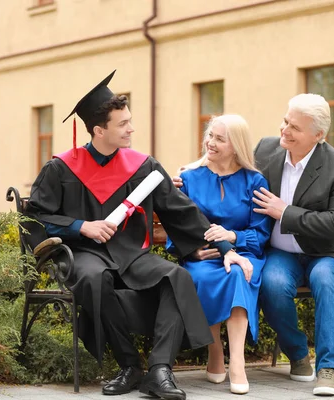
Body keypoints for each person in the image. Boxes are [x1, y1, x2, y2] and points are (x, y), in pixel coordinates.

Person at [25, 70, 252, 400]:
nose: (131, 128)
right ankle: (130, 366)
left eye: (130, 121)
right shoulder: (61, 168)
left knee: (176, 277)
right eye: (123, 124)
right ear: (99, 130)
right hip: (84, 253)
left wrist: (224, 245)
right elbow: (35, 217)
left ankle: (160, 371)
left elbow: (181, 211)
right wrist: (80, 226)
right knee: (93, 278)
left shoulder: (142, 166)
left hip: (131, 254)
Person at [252, 93, 334, 396]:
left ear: (318, 136)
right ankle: (298, 355)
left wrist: (285, 213)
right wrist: (190, 174)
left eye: (295, 128)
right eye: (285, 121)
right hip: (281, 253)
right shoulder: (266, 149)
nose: (284, 130)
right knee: (271, 283)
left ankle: (328, 368)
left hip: (325, 252)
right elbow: (232, 169)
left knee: (325, 279)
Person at [168, 115, 271, 395]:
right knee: (202, 276)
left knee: (237, 273)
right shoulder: (188, 177)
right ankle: (215, 352)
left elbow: (261, 234)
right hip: (203, 256)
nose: (210, 143)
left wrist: (232, 236)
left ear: (236, 145)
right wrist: (193, 251)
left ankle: (237, 360)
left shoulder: (255, 181)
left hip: (243, 253)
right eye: (210, 136)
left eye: (219, 139)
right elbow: (177, 226)